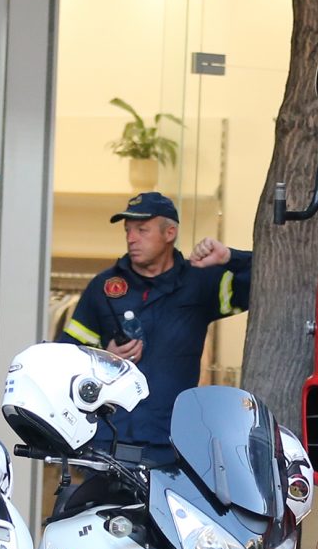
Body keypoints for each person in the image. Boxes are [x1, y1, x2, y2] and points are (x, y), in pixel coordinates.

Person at [60, 191, 251, 455]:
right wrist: (105, 358)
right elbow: (64, 357)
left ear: (170, 233)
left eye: (142, 230)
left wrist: (229, 256)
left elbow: (262, 282)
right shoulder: (103, 288)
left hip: (172, 440)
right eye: (127, 230)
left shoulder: (198, 282)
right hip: (109, 439)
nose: (131, 238)